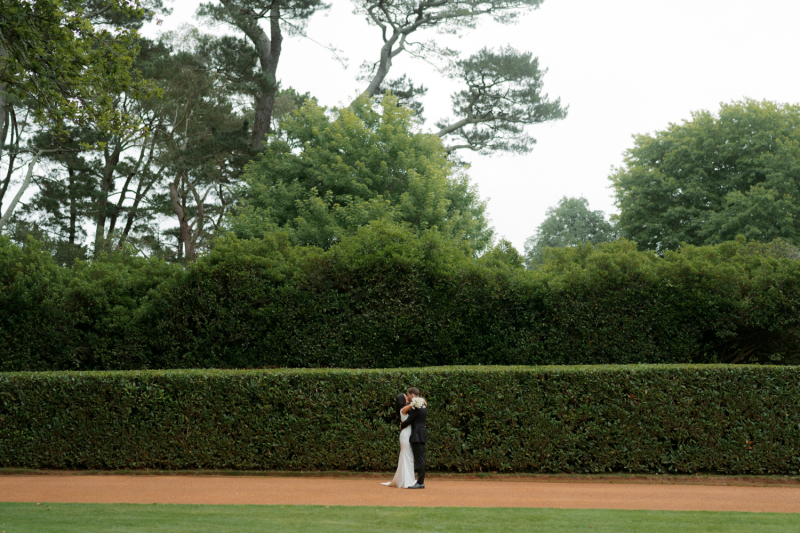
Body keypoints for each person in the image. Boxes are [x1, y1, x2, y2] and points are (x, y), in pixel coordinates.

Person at [381, 391, 416, 488]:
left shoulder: (405, 408)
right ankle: (406, 480)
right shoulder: (403, 409)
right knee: (407, 457)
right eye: (406, 397)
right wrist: (419, 400)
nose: (407, 398)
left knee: (408, 457)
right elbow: (414, 404)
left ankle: (407, 478)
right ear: (402, 400)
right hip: (405, 436)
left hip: (407, 434)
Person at [400, 387, 427, 489]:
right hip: (422, 433)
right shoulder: (423, 405)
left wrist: (401, 426)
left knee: (419, 459)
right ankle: (420, 481)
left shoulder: (417, 406)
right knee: (421, 458)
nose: (407, 396)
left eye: (408, 395)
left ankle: (420, 482)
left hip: (417, 435)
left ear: (412, 395)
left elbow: (410, 419)